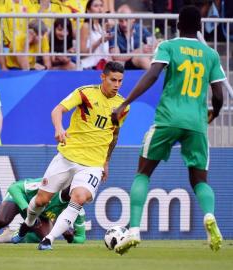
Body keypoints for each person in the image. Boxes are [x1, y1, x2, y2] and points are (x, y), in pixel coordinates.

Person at [111, 5, 225, 255]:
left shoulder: (168, 47)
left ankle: (134, 231)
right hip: (196, 124)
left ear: (177, 25)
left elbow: (152, 76)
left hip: (167, 119)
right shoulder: (210, 54)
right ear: (199, 27)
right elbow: (218, 95)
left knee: (143, 172)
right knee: (199, 180)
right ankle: (209, 216)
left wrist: (125, 102)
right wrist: (213, 113)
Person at [12, 61, 129, 250]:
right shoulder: (85, 93)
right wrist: (59, 129)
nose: (116, 85)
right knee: (42, 200)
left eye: (120, 81)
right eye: (113, 80)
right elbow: (57, 110)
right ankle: (28, 223)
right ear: (103, 77)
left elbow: (114, 134)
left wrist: (106, 161)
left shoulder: (123, 106)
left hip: (93, 164)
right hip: (68, 155)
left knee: (78, 198)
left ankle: (48, 239)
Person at [0, 178, 86, 244]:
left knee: (46, 239)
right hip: (22, 201)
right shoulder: (50, 186)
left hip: (39, 215)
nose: (79, 193)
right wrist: (27, 209)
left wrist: (71, 237)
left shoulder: (77, 206)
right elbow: (14, 188)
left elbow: (82, 238)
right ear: (68, 186)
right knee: (2, 220)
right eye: (76, 188)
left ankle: (10, 235)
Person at [109, 3, 155, 70]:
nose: (124, 24)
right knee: (141, 58)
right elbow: (116, 57)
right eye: (121, 21)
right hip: (123, 63)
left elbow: (153, 42)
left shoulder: (139, 28)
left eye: (127, 20)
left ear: (133, 19)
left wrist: (149, 48)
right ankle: (161, 79)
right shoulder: (113, 31)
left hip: (138, 59)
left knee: (153, 56)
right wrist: (138, 51)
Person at [80, 0, 113, 70]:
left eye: (101, 6)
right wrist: (99, 41)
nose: (100, 8)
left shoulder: (101, 26)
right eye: (96, 6)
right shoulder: (86, 26)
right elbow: (81, 54)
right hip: (89, 69)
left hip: (103, 69)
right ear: (88, 10)